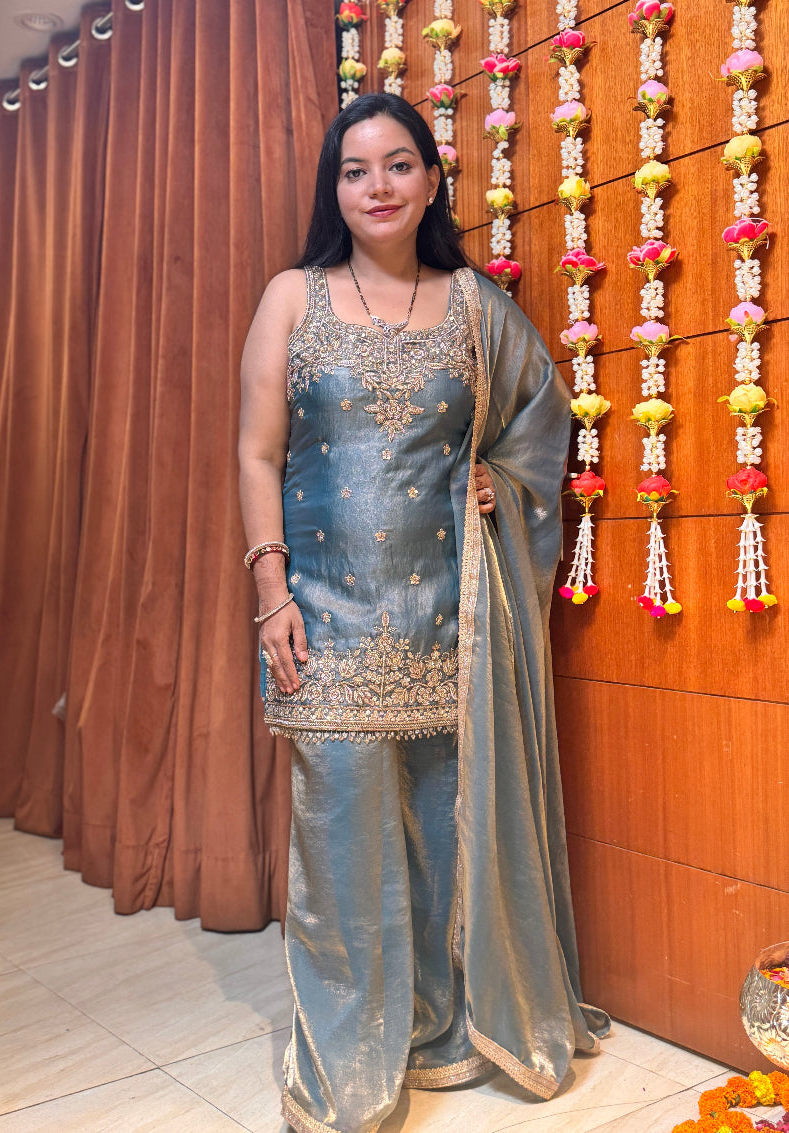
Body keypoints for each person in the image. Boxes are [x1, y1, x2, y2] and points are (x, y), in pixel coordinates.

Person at [239, 92, 608, 1133]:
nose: (378, 187)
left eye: (398, 165)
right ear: (335, 189)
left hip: (453, 624)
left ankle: (441, 1028)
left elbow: (539, 418)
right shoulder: (292, 298)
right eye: (355, 170)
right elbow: (256, 453)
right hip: (323, 620)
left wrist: (500, 476)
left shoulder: (475, 306)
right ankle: (349, 1057)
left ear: (432, 179)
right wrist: (270, 592)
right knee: (340, 851)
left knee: (449, 834)